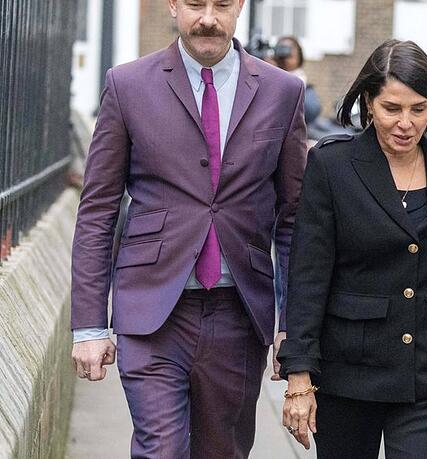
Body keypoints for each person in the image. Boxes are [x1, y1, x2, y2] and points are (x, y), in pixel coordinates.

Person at [69, 0, 307, 456]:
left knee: (223, 450)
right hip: (152, 309)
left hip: (240, 314)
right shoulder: (128, 85)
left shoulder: (281, 92)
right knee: (162, 449)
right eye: (195, 3)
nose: (208, 18)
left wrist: (292, 326)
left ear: (240, 6)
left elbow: (294, 219)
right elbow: (98, 209)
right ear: (172, 5)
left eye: (221, 4)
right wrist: (89, 326)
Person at [276, 39, 427, 457]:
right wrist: (299, 375)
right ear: (369, 103)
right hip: (349, 373)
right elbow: (309, 273)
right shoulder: (332, 166)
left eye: (419, 109)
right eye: (392, 108)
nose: (406, 123)